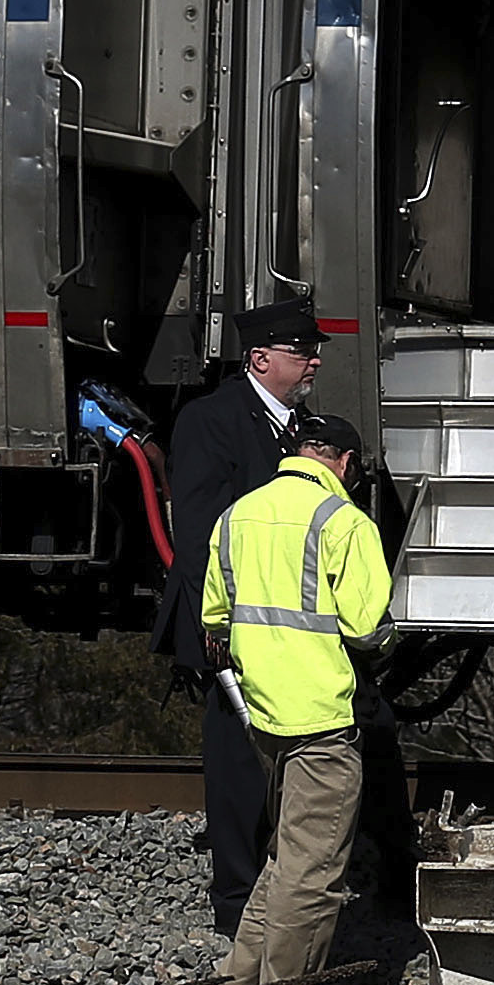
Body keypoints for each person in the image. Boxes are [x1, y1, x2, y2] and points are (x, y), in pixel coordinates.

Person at [202, 390, 392, 985]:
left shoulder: (236, 517)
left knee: (286, 861)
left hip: (264, 716)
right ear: (343, 463)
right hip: (320, 718)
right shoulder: (343, 523)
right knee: (312, 871)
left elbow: (213, 623)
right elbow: (367, 628)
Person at [158, 292, 328, 938]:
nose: (312, 362)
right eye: (300, 351)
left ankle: (276, 894)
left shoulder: (299, 427)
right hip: (234, 623)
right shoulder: (213, 420)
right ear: (260, 358)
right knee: (237, 767)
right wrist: (216, 624)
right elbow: (202, 528)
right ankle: (237, 907)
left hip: (285, 625)